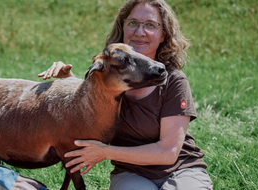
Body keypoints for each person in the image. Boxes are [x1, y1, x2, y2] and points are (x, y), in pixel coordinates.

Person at [37, 0, 213, 189]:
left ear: (163, 35)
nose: (139, 32)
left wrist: (105, 152)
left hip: (180, 169)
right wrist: (67, 79)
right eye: (133, 23)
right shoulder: (107, 77)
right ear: (122, 28)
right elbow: (88, 106)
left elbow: (168, 151)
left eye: (150, 25)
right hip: (131, 173)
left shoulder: (174, 81)